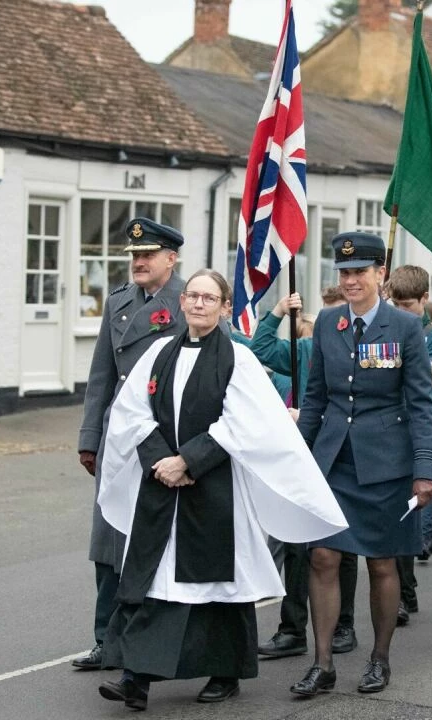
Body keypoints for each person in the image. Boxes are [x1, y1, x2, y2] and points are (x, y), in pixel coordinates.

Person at [96, 269, 347, 710]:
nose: (197, 304)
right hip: (163, 487)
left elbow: (243, 422)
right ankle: (135, 678)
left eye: (208, 298)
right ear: (182, 302)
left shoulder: (238, 359)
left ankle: (226, 672)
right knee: (155, 579)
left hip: (215, 490)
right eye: (191, 295)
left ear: (225, 307)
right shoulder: (158, 353)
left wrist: (188, 460)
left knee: (219, 586)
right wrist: (161, 462)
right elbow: (131, 412)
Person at [290, 232, 432, 696]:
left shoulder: (405, 328)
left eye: (359, 272)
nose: (351, 280)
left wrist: (425, 469)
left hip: (386, 465)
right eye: (344, 273)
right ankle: (323, 662)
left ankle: (379, 659)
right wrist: (296, 458)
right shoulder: (330, 323)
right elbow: (314, 401)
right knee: (322, 556)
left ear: (381, 275)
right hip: (334, 461)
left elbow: (421, 405)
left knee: (381, 563)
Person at [73, 217, 185, 671]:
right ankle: (106, 639)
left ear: (170, 259)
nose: (138, 262)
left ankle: (144, 642)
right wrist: (90, 439)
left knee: (154, 544)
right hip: (117, 440)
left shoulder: (186, 303)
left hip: (160, 438)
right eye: (134, 256)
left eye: (148, 255)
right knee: (107, 542)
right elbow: (101, 375)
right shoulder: (119, 302)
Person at [250, 291, 360, 659]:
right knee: (297, 545)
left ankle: (344, 625)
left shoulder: (363, 351)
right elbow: (261, 349)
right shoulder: (307, 349)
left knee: (341, 546)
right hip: (303, 456)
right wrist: (278, 311)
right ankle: (292, 629)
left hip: (343, 456)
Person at [385, 265, 432, 627]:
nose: (401, 310)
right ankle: (403, 591)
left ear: (424, 301)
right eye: (395, 303)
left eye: (407, 304)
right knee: (393, 514)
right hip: (390, 432)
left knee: (409, 511)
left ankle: (405, 590)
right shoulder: (385, 328)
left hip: (421, 431)